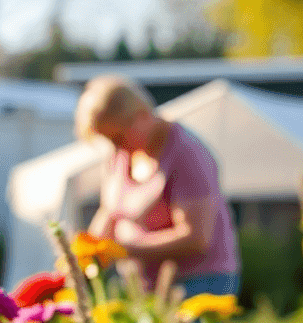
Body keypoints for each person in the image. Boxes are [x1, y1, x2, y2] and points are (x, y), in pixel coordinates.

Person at [75, 75, 240, 297]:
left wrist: (123, 250)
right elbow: (110, 212)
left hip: (197, 283)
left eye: (118, 138)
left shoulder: (187, 154)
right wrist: (88, 252)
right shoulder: (120, 155)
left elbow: (196, 238)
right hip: (142, 285)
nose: (115, 147)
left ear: (141, 116)